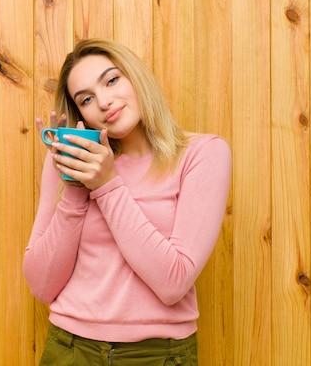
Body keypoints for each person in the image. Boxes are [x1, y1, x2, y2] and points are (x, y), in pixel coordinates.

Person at [23, 38, 232, 366]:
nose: (104, 101)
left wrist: (106, 185)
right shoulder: (70, 163)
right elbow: (41, 285)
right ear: (80, 113)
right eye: (87, 99)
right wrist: (76, 185)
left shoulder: (203, 154)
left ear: (136, 78)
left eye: (112, 80)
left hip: (158, 355)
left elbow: (173, 282)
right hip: (70, 349)